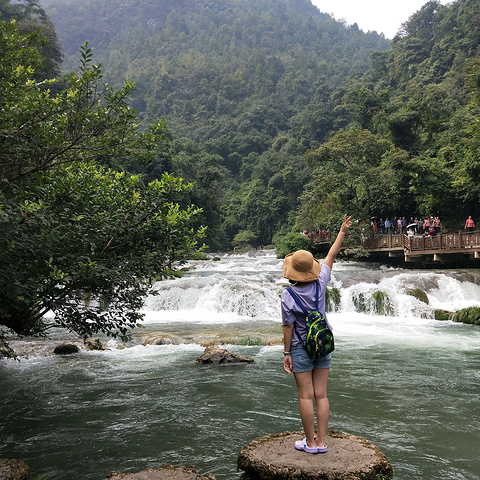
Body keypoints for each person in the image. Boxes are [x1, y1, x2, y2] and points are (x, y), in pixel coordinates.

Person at [281, 214, 352, 454]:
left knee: (305, 396)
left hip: (300, 347)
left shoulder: (288, 296)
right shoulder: (321, 281)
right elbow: (331, 255)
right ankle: (322, 442)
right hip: (323, 343)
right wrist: (341, 231)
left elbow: (288, 327)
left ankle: (309, 443)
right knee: (321, 395)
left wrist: (286, 353)